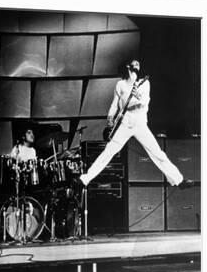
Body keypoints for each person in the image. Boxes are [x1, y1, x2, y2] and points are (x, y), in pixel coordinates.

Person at [77, 59, 192, 189]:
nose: (137, 65)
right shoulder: (120, 84)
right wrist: (110, 116)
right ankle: (84, 179)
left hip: (139, 123)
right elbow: (115, 104)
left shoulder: (144, 83)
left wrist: (138, 96)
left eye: (139, 63)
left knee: (157, 152)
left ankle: (178, 181)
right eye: (134, 63)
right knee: (108, 151)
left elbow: (145, 102)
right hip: (125, 123)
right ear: (128, 66)